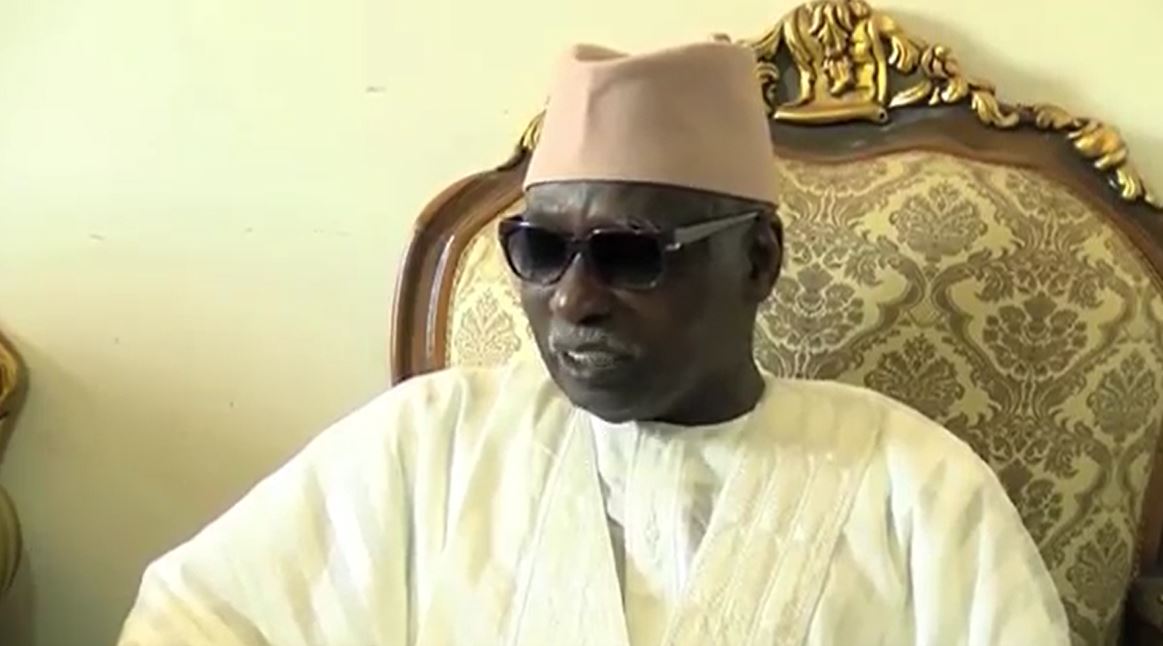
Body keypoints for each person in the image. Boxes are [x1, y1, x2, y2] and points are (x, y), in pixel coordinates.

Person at [118, 40, 1070, 646]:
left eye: (629, 254)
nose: (573, 300)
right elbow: (195, 619)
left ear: (757, 261)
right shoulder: (432, 442)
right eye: (540, 250)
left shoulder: (914, 486)